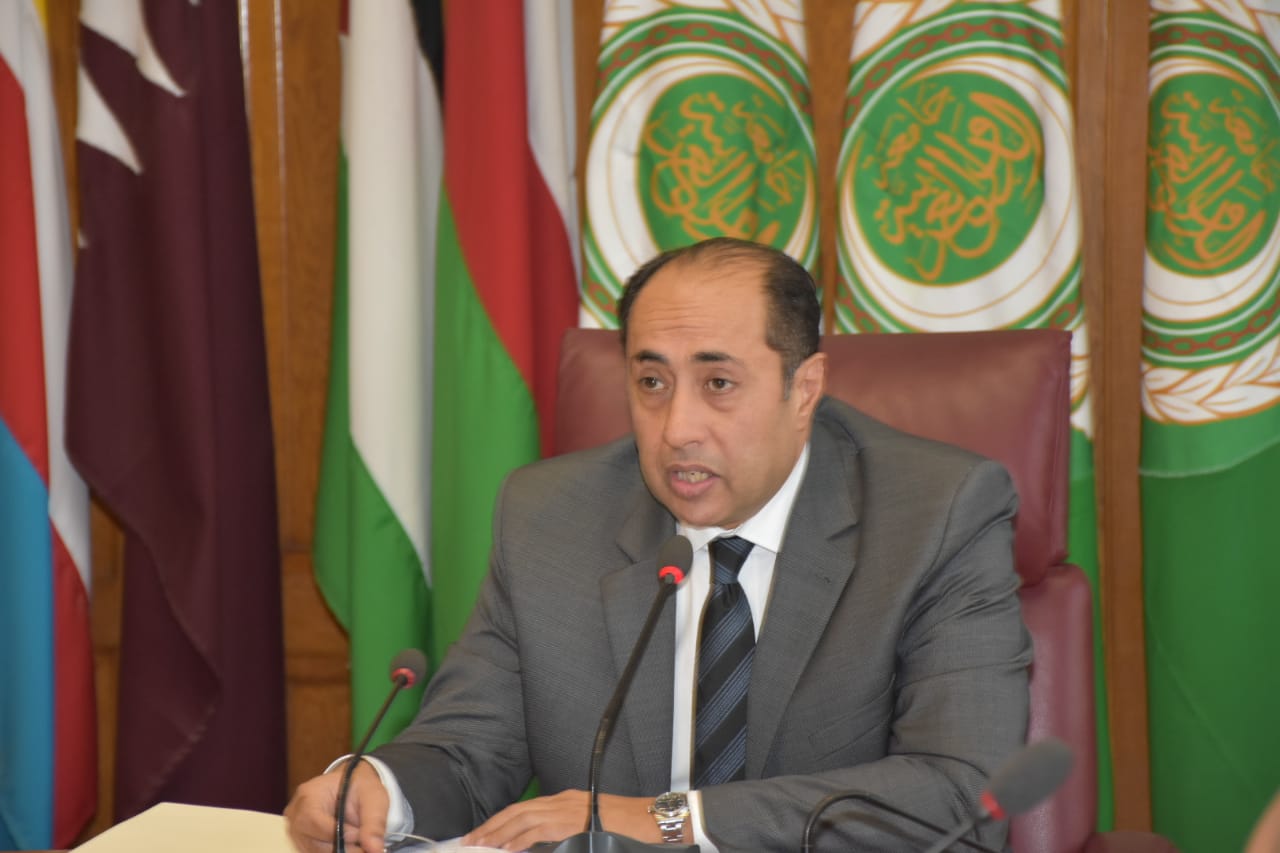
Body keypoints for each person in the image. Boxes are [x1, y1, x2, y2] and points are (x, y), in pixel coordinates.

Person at [285, 238, 1032, 852]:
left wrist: (673, 819)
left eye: (718, 383)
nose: (677, 428)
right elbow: (470, 743)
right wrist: (381, 788)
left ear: (803, 389)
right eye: (651, 381)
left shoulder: (935, 515)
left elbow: (963, 792)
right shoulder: (551, 518)